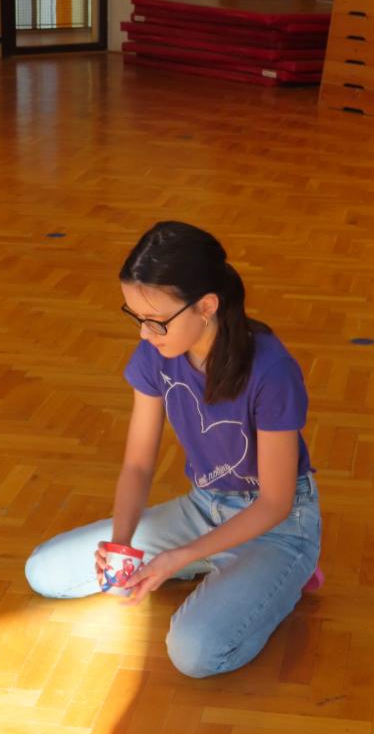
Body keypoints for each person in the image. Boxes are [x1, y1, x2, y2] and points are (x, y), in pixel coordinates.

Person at [25, 221, 322, 679]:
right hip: (203, 508)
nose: (146, 333)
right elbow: (138, 464)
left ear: (206, 306)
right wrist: (121, 541)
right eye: (135, 317)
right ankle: (214, 562)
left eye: (156, 320)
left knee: (195, 652)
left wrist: (179, 556)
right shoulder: (156, 354)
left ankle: (285, 574)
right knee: (43, 572)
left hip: (278, 527)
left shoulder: (272, 370)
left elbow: (275, 502)